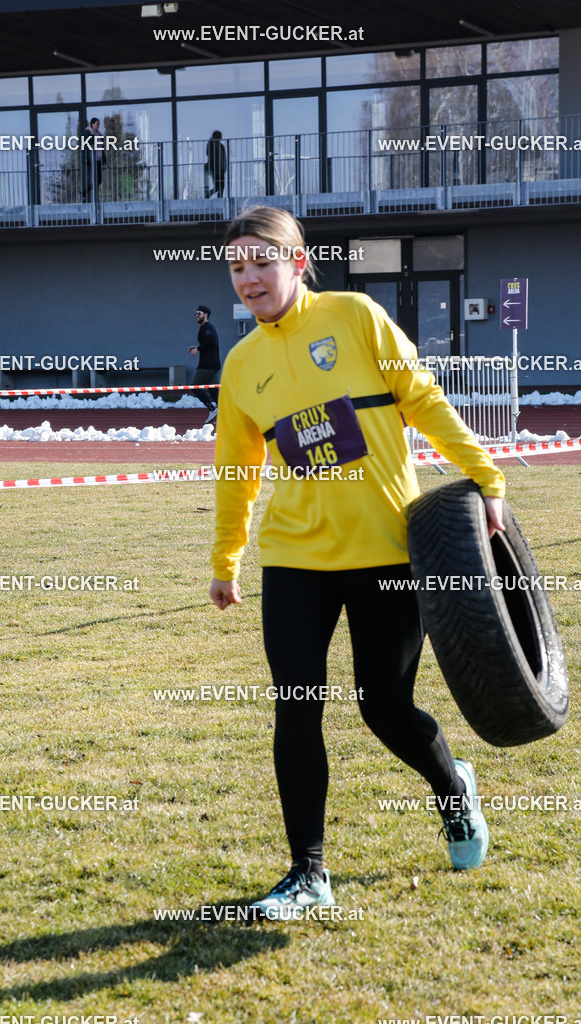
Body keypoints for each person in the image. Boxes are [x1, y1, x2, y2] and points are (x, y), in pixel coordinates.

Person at [208, 206, 506, 920]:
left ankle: (451, 789)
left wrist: (484, 476)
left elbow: (422, 398)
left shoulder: (355, 317)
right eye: (236, 266)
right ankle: (308, 874)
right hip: (295, 559)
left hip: (385, 552)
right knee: (296, 706)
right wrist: (227, 558)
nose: (249, 277)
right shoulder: (241, 365)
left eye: (261, 261)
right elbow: (235, 471)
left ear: (298, 261)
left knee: (384, 708)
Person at [189, 304, 221, 423]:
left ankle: (211, 409)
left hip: (206, 365)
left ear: (205, 315)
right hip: (215, 364)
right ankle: (223, 414)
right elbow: (211, 342)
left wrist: (198, 349)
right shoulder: (209, 327)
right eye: (196, 314)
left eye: (199, 314)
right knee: (213, 389)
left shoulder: (206, 327)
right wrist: (198, 347)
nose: (196, 316)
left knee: (195, 386)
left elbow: (212, 340)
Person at [81, 116, 104, 200]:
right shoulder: (89, 132)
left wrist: (104, 160)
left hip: (98, 160)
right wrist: (85, 157)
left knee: (99, 180)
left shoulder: (98, 134)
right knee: (95, 179)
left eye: (99, 124)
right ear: (92, 124)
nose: (98, 126)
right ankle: (93, 197)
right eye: (97, 124)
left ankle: (85, 193)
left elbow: (102, 148)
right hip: (92, 159)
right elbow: (84, 145)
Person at [204, 130, 226, 198]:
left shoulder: (221, 146)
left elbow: (224, 157)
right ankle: (208, 195)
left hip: (220, 169)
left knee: (221, 186)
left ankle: (219, 197)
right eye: (220, 136)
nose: (221, 138)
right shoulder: (211, 144)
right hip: (215, 168)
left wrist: (224, 167)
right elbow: (208, 153)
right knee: (218, 186)